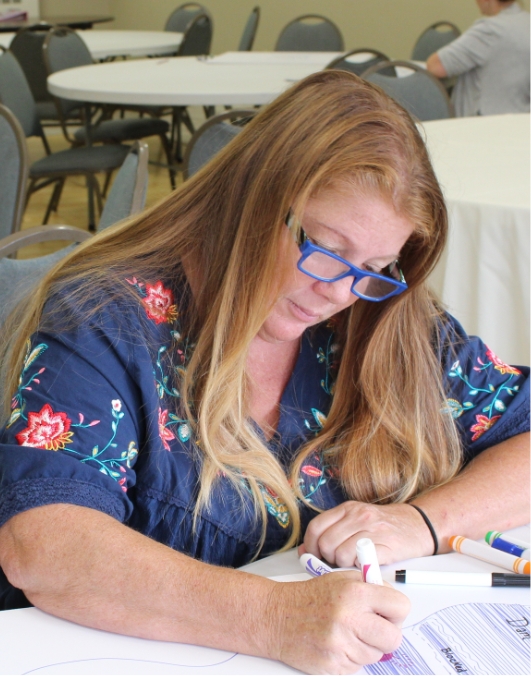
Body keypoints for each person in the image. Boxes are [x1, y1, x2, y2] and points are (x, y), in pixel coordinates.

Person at [0, 70, 528, 674]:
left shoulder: (382, 320)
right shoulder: (112, 316)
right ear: (252, 197)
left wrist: (422, 523)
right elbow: (43, 544)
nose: (340, 293)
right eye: (325, 249)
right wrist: (271, 618)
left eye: (376, 265)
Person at [426, 0, 530, 116]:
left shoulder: (489, 30)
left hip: (482, 123)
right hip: (522, 119)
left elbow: (435, 66)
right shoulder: (527, 22)